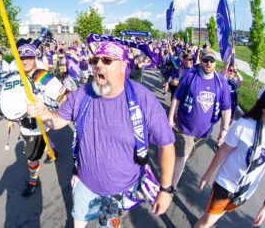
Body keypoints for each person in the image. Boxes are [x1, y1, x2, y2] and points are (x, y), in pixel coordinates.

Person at [27, 40, 176, 227]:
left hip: (119, 191)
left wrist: (166, 189)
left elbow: (166, 144)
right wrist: (44, 112)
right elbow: (58, 122)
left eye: (106, 60)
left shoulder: (144, 99)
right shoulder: (82, 94)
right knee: (78, 219)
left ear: (123, 66)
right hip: (84, 183)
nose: (98, 65)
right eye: (95, 60)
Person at [195, 85, 265, 228]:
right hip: (226, 185)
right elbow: (223, 151)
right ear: (264, 107)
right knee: (207, 221)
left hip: (244, 192)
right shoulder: (245, 126)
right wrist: (207, 175)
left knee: (217, 215)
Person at [6, 43, 67, 198]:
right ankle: (52, 151)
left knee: (31, 160)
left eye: (28, 58)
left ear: (34, 58)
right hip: (24, 125)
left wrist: (56, 114)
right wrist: (10, 118)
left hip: (37, 127)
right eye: (21, 58)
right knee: (39, 145)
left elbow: (64, 98)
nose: (24, 61)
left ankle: (33, 184)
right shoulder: (17, 76)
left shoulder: (44, 77)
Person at [168, 49, 232, 188]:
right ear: (200, 61)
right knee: (182, 157)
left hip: (204, 133)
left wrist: (224, 129)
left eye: (212, 61)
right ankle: (170, 189)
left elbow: (226, 108)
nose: (209, 64)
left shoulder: (221, 82)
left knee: (188, 153)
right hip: (184, 128)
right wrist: (170, 117)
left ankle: (176, 163)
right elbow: (177, 97)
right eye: (206, 60)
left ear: (215, 63)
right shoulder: (190, 77)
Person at [220, 49, 243, 124]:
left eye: (233, 71)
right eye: (230, 70)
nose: (232, 72)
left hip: (231, 105)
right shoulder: (224, 78)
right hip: (222, 104)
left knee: (226, 124)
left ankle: (223, 134)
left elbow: (241, 80)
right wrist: (230, 54)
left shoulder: (235, 81)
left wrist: (236, 71)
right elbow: (226, 66)